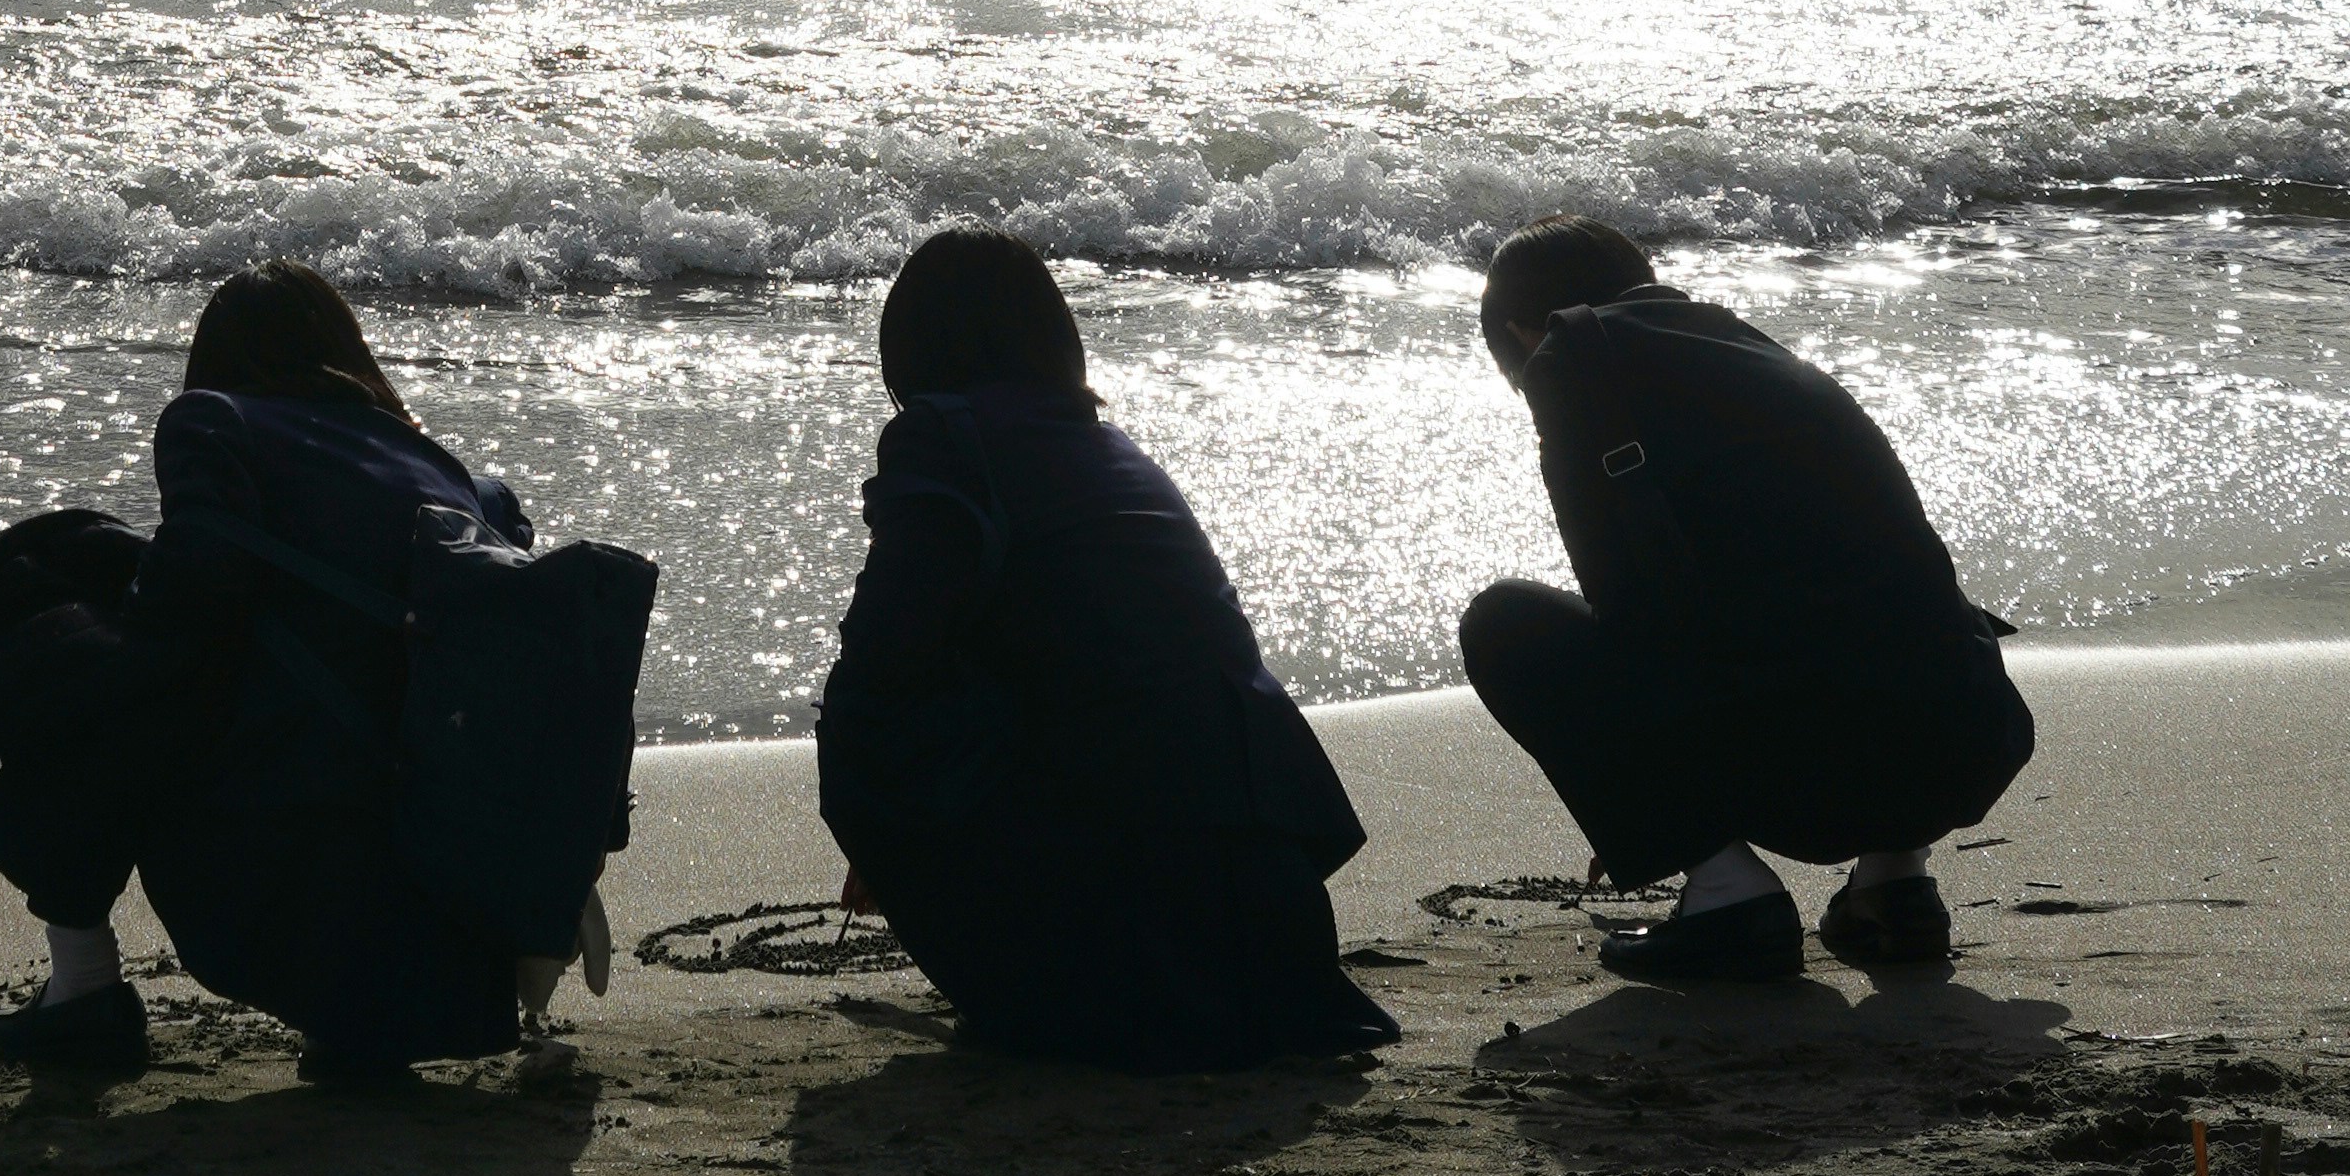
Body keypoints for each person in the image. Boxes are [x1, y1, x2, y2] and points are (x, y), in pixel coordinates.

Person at [0, 263, 567, 1088]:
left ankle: (83, 987)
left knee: (91, 661)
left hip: (273, 889)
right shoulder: (438, 466)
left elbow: (191, 594)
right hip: (446, 941)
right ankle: (338, 1029)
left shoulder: (212, 420)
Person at [812, 232, 1393, 1077]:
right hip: (1271, 914)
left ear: (914, 351)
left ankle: (1031, 991)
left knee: (856, 724)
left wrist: (892, 820)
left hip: (1130, 915)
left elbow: (882, 654)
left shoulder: (947, 440)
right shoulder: (1112, 452)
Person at [1456, 218, 2033, 987]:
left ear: (1521, 331)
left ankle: (1731, 899)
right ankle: (1894, 887)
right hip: (1965, 740)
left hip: (1817, 777)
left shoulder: (1572, 360)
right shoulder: (1745, 346)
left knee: (1503, 625)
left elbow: (1628, 600)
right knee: (1854, 608)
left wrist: (1638, 800)